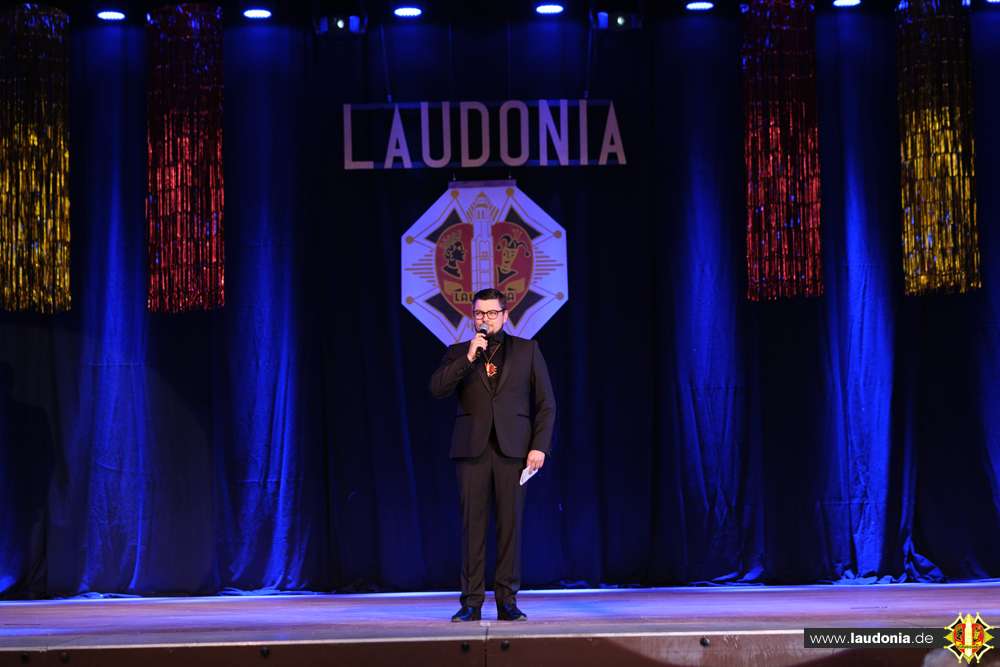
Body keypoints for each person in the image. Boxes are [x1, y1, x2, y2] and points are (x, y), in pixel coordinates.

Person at [429, 288, 556, 622]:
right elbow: (437, 388)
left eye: (491, 313)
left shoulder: (527, 350)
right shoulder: (459, 352)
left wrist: (539, 445)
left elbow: (546, 404)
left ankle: (507, 601)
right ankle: (471, 602)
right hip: (471, 449)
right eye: (479, 313)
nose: (485, 319)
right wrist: (468, 358)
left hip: (514, 451)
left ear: (505, 315)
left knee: (510, 527)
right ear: (473, 316)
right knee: (472, 528)